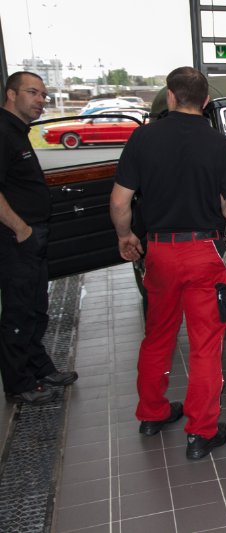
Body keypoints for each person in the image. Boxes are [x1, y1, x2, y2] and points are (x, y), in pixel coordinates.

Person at [110, 67, 226, 459]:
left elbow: (120, 201)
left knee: (158, 335)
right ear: (206, 101)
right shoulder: (222, 146)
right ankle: (201, 432)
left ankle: (151, 414)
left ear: (170, 96)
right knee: (205, 344)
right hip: (203, 253)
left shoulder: (142, 138)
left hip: (160, 253)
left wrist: (125, 236)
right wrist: (218, 200)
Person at [0, 71, 79, 405]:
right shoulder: (3, 132)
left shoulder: (18, 131)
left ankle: (38, 368)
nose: (41, 101)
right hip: (14, 238)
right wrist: (21, 229)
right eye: (33, 92)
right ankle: (19, 384)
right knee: (19, 311)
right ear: (11, 94)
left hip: (29, 236)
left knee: (35, 307)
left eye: (43, 95)